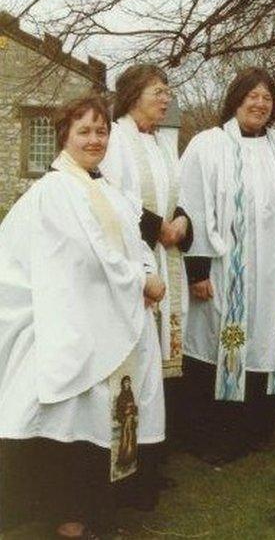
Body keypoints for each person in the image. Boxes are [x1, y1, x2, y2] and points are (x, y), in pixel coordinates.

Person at [0, 95, 166, 537]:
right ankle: (67, 516)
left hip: (104, 313)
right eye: (85, 131)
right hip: (69, 320)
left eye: (102, 131)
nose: (95, 139)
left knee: (103, 416)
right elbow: (89, 257)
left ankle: (97, 508)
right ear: (64, 137)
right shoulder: (57, 190)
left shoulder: (106, 188)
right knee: (72, 420)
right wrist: (141, 281)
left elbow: (133, 243)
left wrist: (147, 270)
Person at [179, 67, 275, 463]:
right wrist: (197, 271)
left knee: (264, 342)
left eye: (267, 97)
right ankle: (215, 434)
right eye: (252, 96)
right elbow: (192, 205)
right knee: (221, 344)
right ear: (236, 99)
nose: (260, 103)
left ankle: (255, 427)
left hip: (271, 271)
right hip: (223, 269)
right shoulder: (208, 144)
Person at [100, 63, 192, 501]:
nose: (166, 97)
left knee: (160, 370)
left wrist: (182, 223)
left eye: (167, 90)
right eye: (159, 90)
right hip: (137, 262)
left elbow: (180, 196)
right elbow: (115, 201)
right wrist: (160, 228)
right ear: (135, 92)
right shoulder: (115, 139)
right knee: (137, 368)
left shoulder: (159, 142)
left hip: (166, 257)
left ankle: (155, 458)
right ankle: (130, 466)